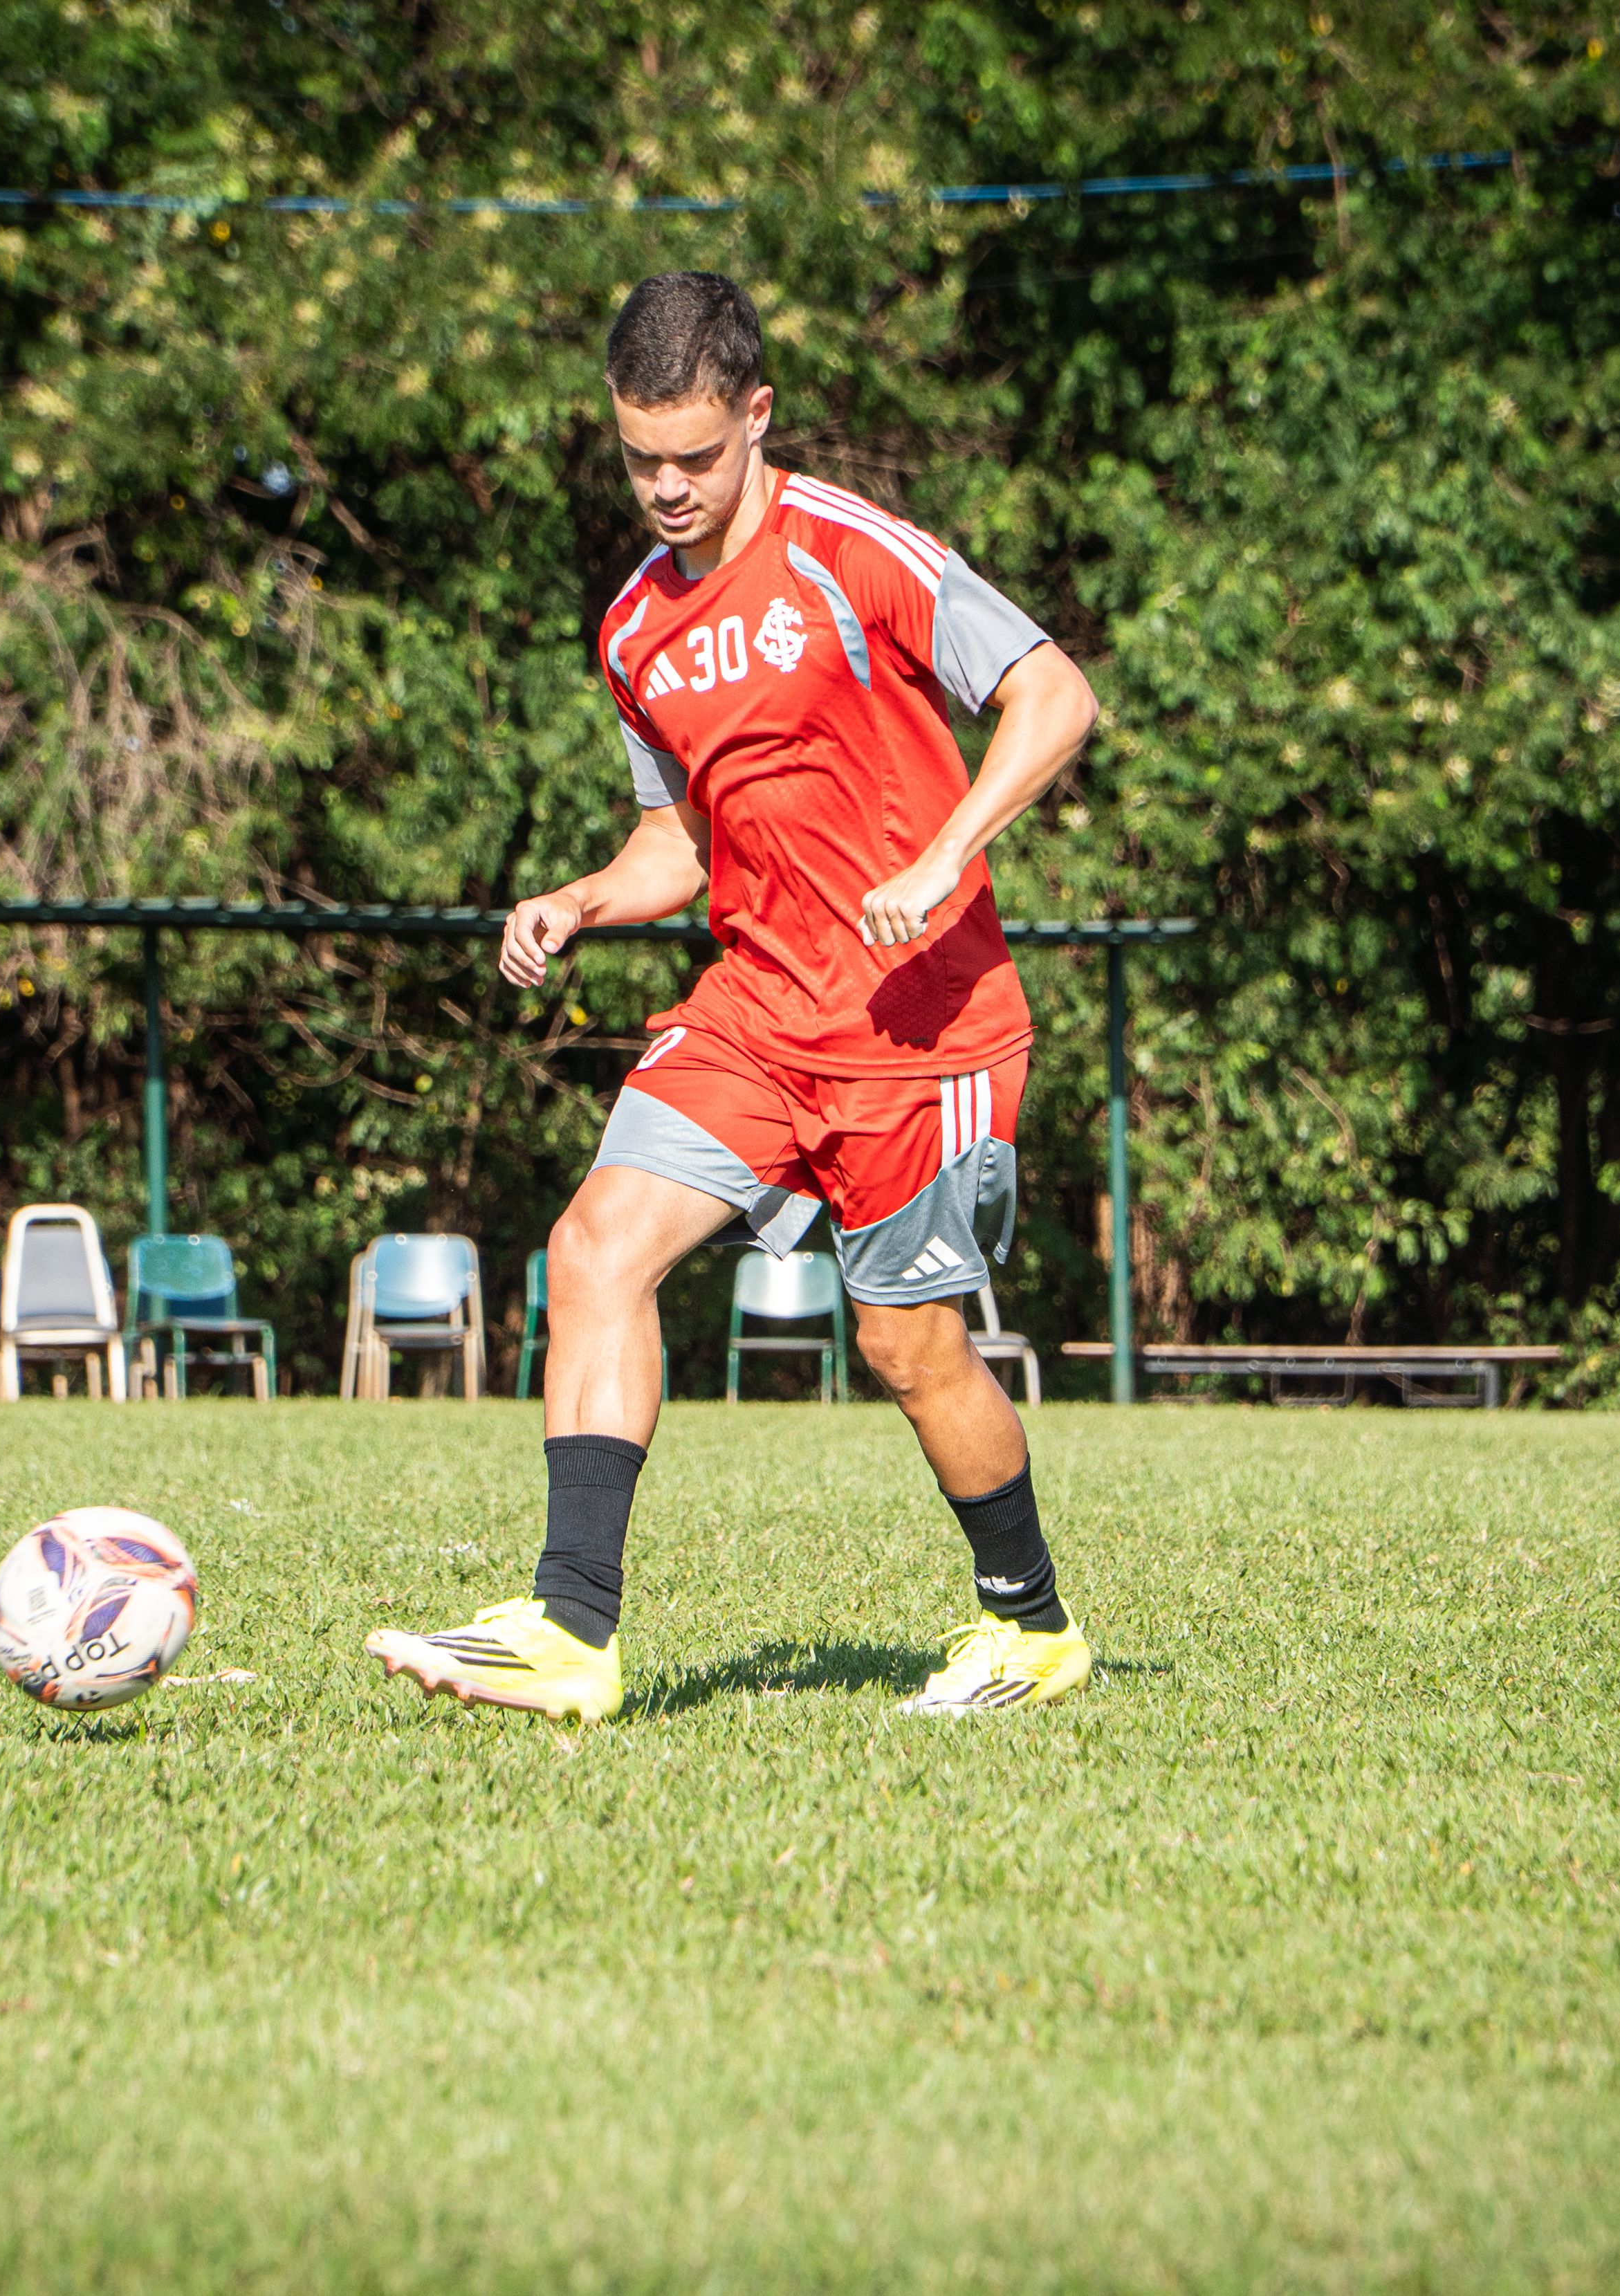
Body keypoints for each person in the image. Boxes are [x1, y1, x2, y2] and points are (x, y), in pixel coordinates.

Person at [365, 271, 1102, 1722]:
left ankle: (1030, 1625)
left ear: (756, 416)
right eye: (641, 458)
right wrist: (580, 898)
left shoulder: (853, 553)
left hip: (922, 1026)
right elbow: (678, 841)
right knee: (594, 1248)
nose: (667, 487)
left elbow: (1055, 696)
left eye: (695, 456)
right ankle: (572, 1634)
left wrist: (947, 854)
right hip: (759, 1008)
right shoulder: (635, 629)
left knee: (908, 1346)